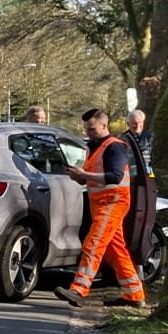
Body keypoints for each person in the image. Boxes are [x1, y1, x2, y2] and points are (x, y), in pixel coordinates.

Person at [53, 108, 147, 310]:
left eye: (92, 129)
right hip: (101, 203)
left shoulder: (115, 147)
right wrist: (80, 176)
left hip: (113, 201)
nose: (88, 133)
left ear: (104, 126)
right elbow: (93, 178)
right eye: (86, 129)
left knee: (93, 244)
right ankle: (134, 294)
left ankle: (79, 290)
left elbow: (114, 176)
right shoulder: (93, 146)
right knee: (115, 251)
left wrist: (84, 175)